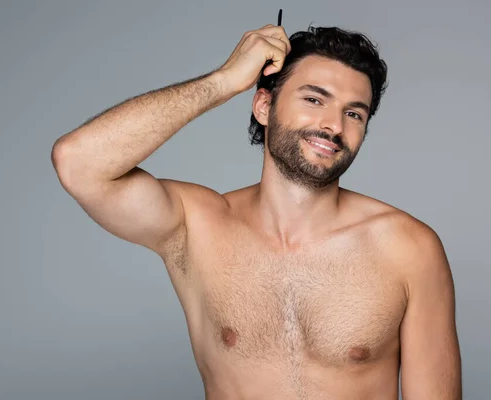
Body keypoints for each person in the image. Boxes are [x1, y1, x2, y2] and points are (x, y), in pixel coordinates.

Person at [51, 22, 461, 400]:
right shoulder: (197, 226)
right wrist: (224, 81)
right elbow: (78, 163)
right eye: (314, 98)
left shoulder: (409, 248)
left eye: (354, 113)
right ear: (263, 106)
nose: (334, 125)